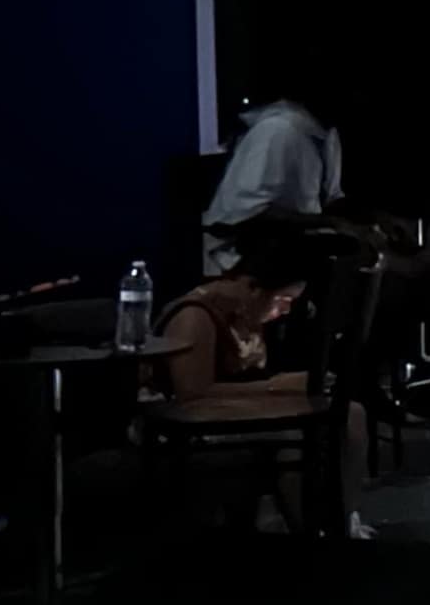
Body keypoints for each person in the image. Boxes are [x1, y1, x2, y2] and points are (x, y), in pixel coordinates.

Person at [153, 218, 368, 530]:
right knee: (293, 435)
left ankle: (343, 519)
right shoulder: (195, 316)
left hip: (234, 410)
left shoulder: (247, 318)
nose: (285, 310)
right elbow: (192, 394)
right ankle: (310, 531)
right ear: (252, 287)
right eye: (283, 300)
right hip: (189, 425)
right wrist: (277, 387)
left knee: (351, 414)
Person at [200, 94, 345, 271]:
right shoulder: (278, 130)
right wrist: (331, 223)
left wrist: (373, 220)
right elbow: (249, 216)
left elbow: (331, 199)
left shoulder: (327, 135)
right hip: (238, 262)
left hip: (290, 253)